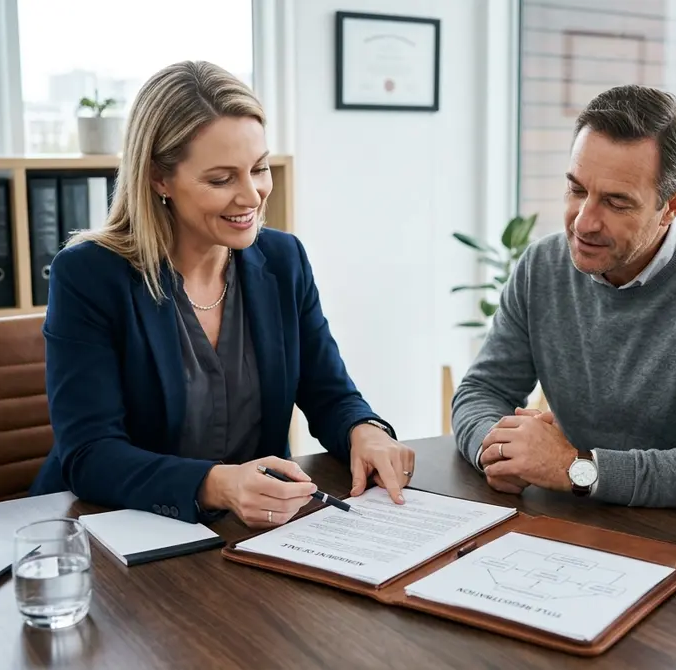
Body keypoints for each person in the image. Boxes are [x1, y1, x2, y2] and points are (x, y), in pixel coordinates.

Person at [29, 61, 415, 528]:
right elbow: (90, 454)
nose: (252, 196)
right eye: (221, 179)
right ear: (158, 178)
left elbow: (330, 394)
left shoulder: (284, 260)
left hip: (250, 531)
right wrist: (217, 485)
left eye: (259, 168)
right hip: (114, 529)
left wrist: (365, 430)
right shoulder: (89, 275)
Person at [451, 84, 676, 507]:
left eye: (616, 202)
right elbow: (482, 390)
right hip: (581, 513)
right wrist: (497, 450)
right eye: (577, 190)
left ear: (672, 206)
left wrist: (577, 469)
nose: (584, 222)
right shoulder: (542, 266)